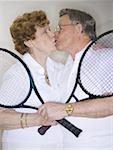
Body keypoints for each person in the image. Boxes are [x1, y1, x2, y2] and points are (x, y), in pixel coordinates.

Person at [39, 9, 113, 150]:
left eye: (60, 28)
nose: (55, 34)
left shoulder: (107, 57)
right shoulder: (66, 67)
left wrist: (66, 109)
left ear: (79, 28)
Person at [0, 10, 63, 150]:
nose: (53, 35)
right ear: (29, 42)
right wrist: (38, 119)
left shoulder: (59, 68)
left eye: (50, 29)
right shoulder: (18, 74)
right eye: (45, 32)